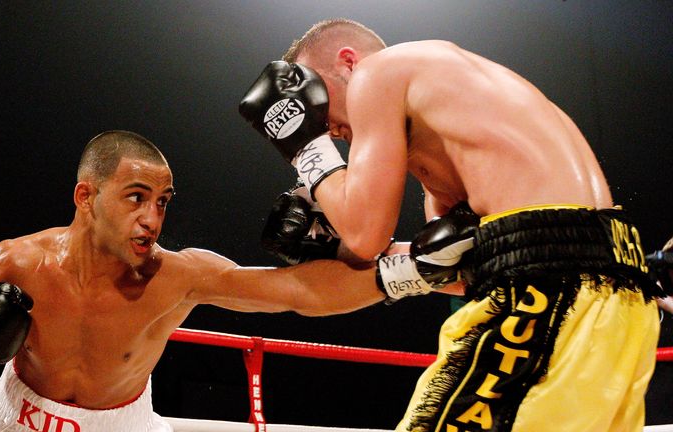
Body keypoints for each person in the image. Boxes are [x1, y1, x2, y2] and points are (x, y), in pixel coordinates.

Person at [239, 18, 663, 432]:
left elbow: (366, 237)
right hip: (621, 301)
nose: (319, 120)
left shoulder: (379, 72)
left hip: (548, 299)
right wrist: (333, 249)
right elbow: (453, 272)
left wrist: (304, 145)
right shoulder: (455, 127)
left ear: (347, 61)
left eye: (310, 94)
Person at [0, 130, 391, 432]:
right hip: (13, 415)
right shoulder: (19, 261)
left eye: (163, 202)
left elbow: (299, 292)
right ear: (86, 197)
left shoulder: (178, 276)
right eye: (136, 198)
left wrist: (406, 273)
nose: (152, 218)